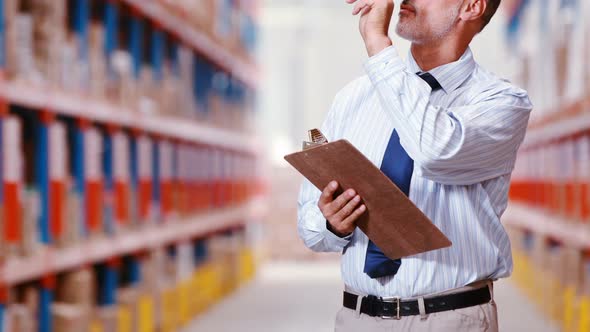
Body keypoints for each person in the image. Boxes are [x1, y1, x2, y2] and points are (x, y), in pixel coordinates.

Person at [296, 0, 533, 331]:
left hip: (450, 320)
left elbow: (434, 151)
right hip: (357, 318)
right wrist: (333, 224)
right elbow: (309, 226)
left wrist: (379, 46)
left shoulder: (501, 102)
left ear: (472, 7)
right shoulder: (352, 99)